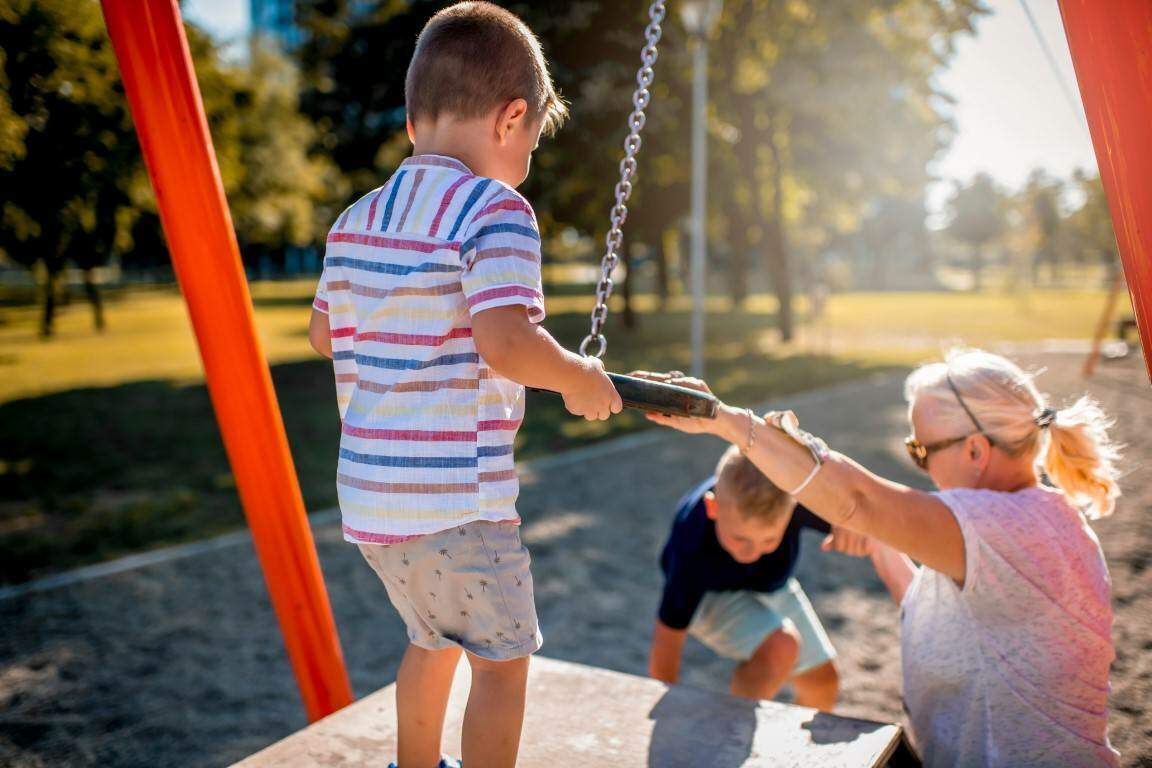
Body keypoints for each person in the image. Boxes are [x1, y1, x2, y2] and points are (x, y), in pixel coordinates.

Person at [308, 4, 622, 767]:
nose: (528, 164)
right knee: (501, 660)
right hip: (458, 500)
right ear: (512, 118)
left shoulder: (356, 220)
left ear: (413, 121)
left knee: (430, 640)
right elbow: (507, 341)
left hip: (375, 503)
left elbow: (324, 334)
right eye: (533, 143)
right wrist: (578, 377)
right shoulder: (495, 209)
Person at [637, 348, 1121, 767]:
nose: (921, 464)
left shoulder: (1003, 526)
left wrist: (726, 420)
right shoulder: (1034, 521)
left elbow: (858, 500)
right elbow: (943, 616)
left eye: (920, 449)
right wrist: (881, 541)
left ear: (976, 450)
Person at [650, 444, 868, 711]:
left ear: (793, 510)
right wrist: (668, 703)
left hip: (769, 583)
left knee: (822, 682)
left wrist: (853, 525)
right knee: (781, 647)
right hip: (709, 591)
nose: (751, 553)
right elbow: (668, 638)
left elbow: (861, 513)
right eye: (740, 537)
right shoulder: (692, 548)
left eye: (769, 540)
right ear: (712, 507)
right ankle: (734, 731)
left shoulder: (793, 502)